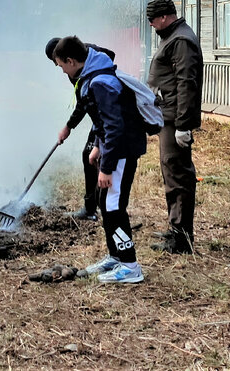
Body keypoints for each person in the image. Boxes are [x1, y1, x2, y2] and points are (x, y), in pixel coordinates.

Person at [53, 36, 146, 284]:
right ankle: (116, 255)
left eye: (62, 65)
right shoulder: (92, 75)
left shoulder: (101, 81)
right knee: (105, 203)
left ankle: (130, 265)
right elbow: (102, 123)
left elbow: (114, 127)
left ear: (71, 61)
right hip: (115, 149)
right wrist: (98, 148)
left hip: (122, 151)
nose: (62, 70)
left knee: (113, 205)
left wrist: (105, 167)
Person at [145, 0, 203, 255]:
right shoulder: (174, 36)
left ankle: (181, 239)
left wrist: (183, 125)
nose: (151, 25)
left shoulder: (180, 40)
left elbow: (186, 83)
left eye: (152, 19)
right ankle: (176, 229)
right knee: (172, 174)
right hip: (166, 117)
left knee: (178, 175)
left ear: (165, 16)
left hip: (174, 121)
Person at [44, 37, 117, 221]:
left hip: (106, 119)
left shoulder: (88, 66)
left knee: (92, 156)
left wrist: (69, 126)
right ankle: (97, 206)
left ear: (67, 59)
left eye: (58, 64)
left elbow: (86, 103)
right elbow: (84, 102)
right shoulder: (77, 70)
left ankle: (104, 207)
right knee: (89, 156)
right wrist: (68, 127)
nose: (60, 69)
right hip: (100, 118)